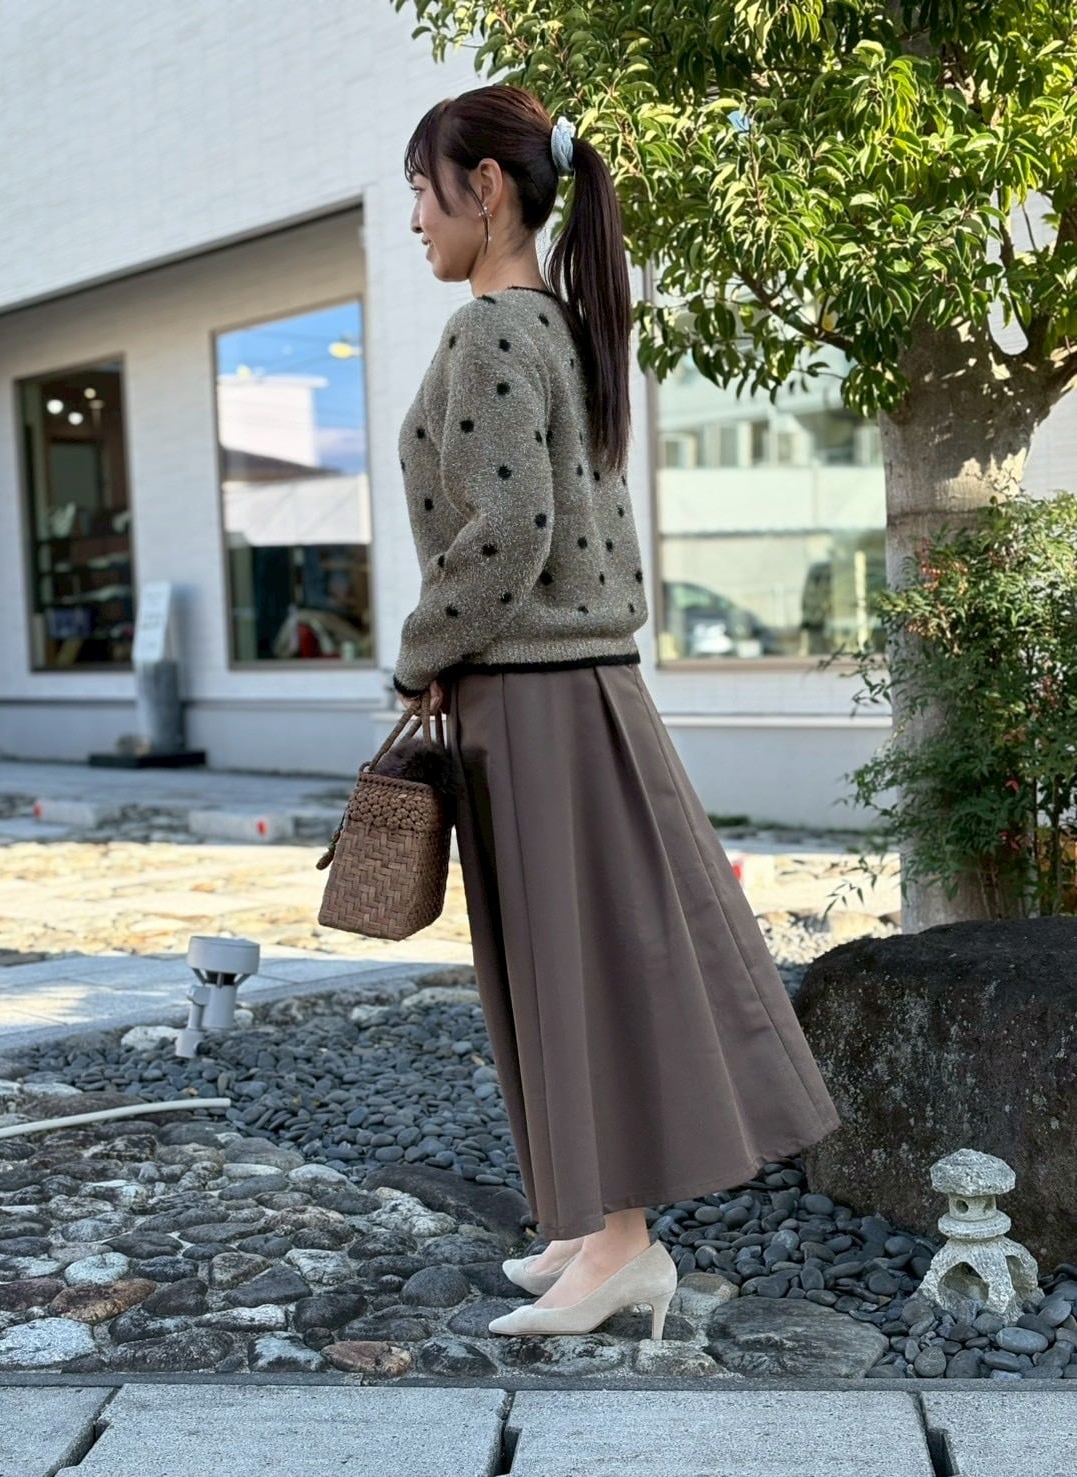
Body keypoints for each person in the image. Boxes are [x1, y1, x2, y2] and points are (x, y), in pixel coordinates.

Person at [391, 83, 842, 1338]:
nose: (415, 220)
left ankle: (624, 1243)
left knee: (574, 969)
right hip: (570, 693)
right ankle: (594, 1227)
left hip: (538, 702)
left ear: (486, 190)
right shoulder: (559, 321)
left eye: (422, 191)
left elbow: (509, 531)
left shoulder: (493, 330)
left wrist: (418, 654)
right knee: (586, 961)